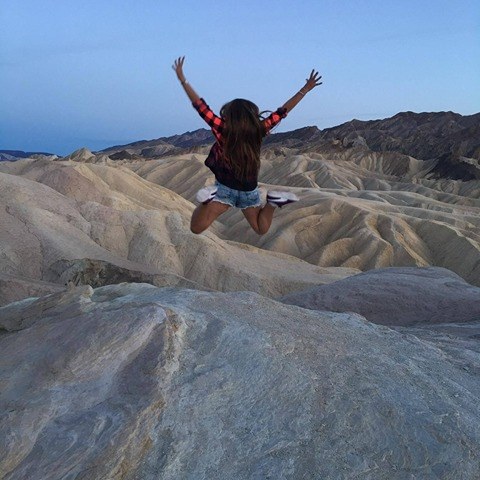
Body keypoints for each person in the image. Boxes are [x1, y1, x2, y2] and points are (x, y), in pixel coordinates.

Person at [172, 56, 322, 235]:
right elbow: (283, 111)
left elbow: (201, 107)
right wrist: (305, 89)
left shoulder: (223, 129)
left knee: (196, 228)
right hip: (248, 190)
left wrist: (183, 80)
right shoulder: (259, 130)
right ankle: (273, 203)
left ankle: (206, 202)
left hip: (224, 189)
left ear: (229, 115)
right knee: (261, 229)